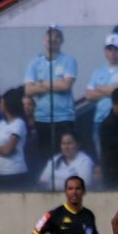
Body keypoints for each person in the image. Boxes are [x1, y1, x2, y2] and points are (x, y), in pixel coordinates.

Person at [24, 26, 77, 161]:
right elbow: (28, 90)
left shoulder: (69, 61)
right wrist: (55, 84)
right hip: (42, 118)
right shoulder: (34, 63)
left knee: (66, 157)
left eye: (57, 36)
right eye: (49, 35)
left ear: (62, 40)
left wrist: (42, 83)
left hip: (64, 118)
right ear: (44, 39)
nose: (53, 39)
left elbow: (66, 86)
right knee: (45, 159)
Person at [85, 33, 118, 157]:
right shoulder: (98, 71)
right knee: (103, 158)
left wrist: (98, 88)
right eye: (109, 49)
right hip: (100, 120)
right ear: (105, 51)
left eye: (117, 49)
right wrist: (110, 89)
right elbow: (88, 95)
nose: (113, 53)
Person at [0, 87, 27, 188]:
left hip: (15, 173)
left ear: (7, 105)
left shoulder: (19, 123)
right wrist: (1, 149)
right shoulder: (1, 124)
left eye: (1, 103)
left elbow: (8, 149)